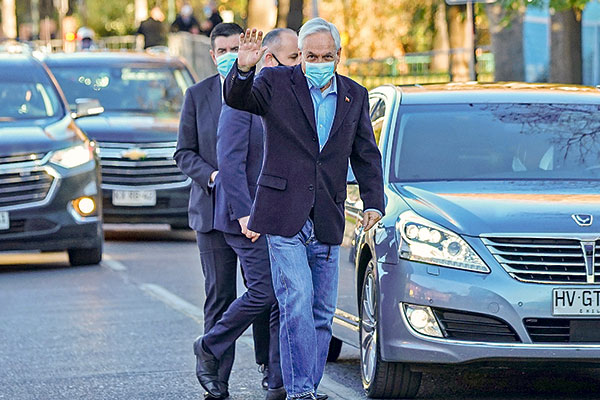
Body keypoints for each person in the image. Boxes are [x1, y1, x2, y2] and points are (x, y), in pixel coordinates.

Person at [221, 18, 385, 400]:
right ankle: (298, 394)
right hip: (282, 215)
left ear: (339, 56)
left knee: (321, 314)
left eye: (327, 55)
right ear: (301, 57)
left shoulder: (355, 95)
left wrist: (374, 202)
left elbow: (366, 154)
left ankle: (307, 388)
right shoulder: (277, 84)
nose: (319, 61)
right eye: (311, 55)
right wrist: (243, 69)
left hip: (327, 215)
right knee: (295, 302)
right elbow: (238, 98)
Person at [213, 28, 329, 400]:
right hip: (256, 215)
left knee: (289, 303)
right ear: (270, 60)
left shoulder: (310, 94)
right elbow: (230, 160)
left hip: (299, 214)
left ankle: (282, 382)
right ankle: (212, 348)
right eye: (296, 58)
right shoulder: (259, 91)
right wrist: (247, 214)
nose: (304, 66)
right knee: (271, 295)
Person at [174, 23, 263, 400]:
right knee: (220, 295)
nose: (229, 56)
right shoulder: (197, 95)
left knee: (263, 293)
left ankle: (270, 371)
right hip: (211, 214)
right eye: (222, 51)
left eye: (235, 48)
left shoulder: (262, 91)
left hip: (255, 214)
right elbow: (183, 153)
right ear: (213, 56)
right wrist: (213, 176)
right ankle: (216, 377)